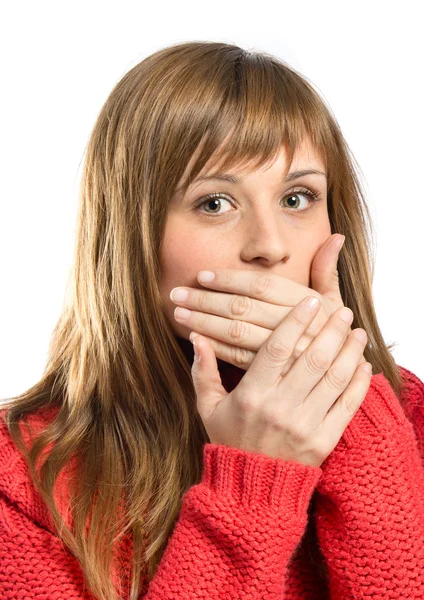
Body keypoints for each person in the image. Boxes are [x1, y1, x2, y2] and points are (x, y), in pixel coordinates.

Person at [1, 40, 423, 600]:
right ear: (130, 238)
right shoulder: (21, 481)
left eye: (297, 198)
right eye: (214, 203)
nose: (269, 247)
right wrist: (252, 484)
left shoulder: (409, 418)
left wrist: (350, 412)